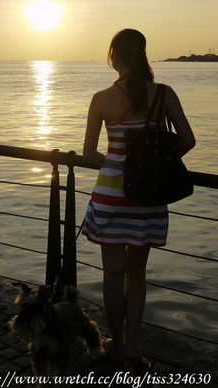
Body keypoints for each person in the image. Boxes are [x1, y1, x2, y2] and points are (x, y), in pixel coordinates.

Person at [82, 29, 195, 373]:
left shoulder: (102, 98)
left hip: (111, 197)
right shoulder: (163, 94)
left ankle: (114, 347)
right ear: (143, 54)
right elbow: (187, 141)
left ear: (114, 55)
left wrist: (118, 163)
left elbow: (89, 154)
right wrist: (154, 160)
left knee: (112, 275)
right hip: (148, 196)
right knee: (137, 274)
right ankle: (132, 346)